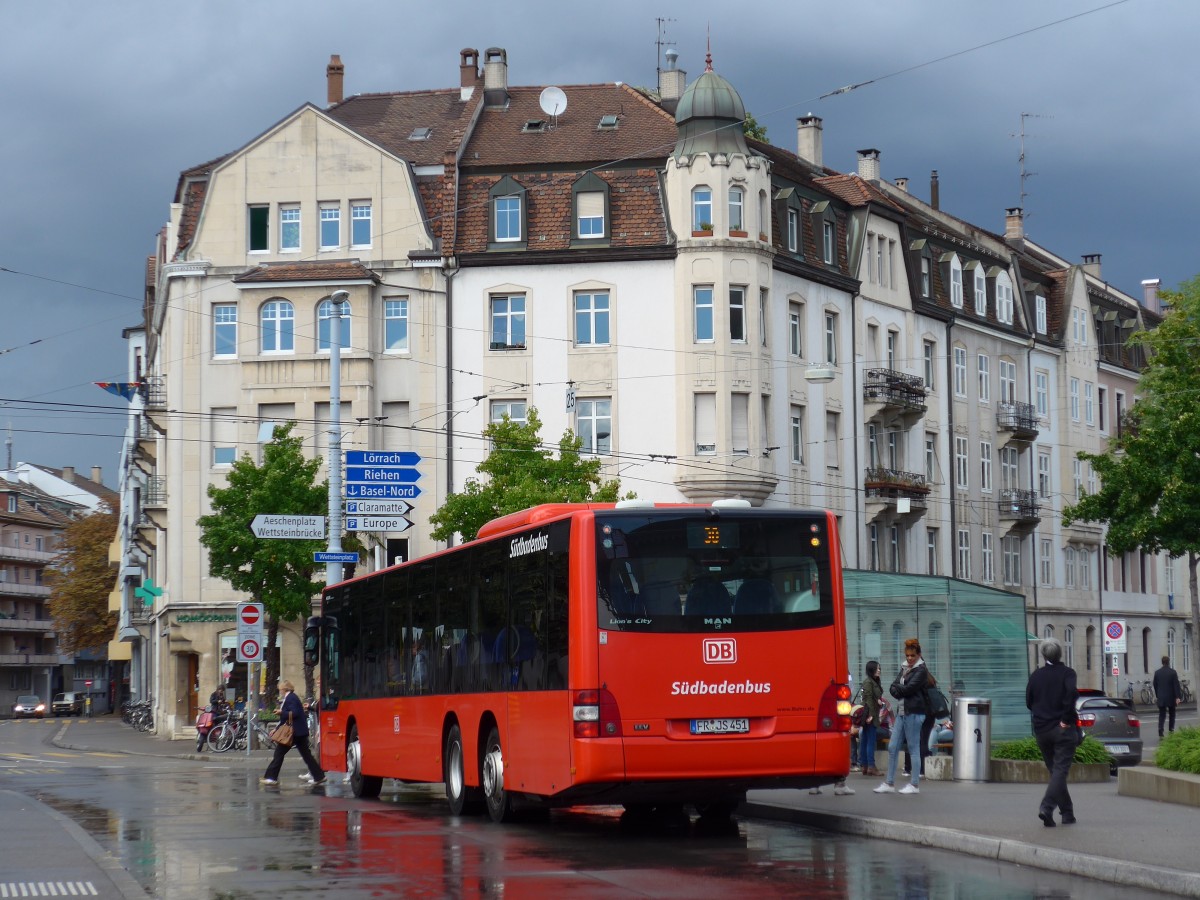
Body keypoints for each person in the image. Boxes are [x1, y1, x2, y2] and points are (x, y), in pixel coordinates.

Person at [1025, 638, 1078, 826]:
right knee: (1060, 771)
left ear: (1043, 655)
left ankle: (1067, 813)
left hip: (1041, 730)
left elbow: (1029, 701)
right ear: (1060, 653)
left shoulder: (1036, 675)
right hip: (1062, 729)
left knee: (1055, 772)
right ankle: (1047, 807)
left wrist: (1041, 716)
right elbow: (1071, 695)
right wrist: (1064, 719)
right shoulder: (1068, 673)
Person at [873, 638, 929, 795]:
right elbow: (894, 687)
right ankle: (889, 783)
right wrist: (900, 688)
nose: (910, 658)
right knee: (892, 747)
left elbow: (908, 689)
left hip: (914, 713)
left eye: (913, 655)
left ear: (918, 655)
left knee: (913, 748)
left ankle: (914, 784)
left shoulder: (921, 670)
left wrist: (899, 688)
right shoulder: (905, 667)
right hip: (903, 712)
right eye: (908, 655)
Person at [260, 680, 326, 787]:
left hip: (294, 733)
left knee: (279, 754)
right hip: (299, 732)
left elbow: (294, 713)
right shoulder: (292, 697)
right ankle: (319, 776)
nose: (280, 692)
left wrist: (282, 712)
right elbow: (290, 716)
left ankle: (271, 777)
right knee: (307, 755)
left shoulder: (291, 698)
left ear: (284, 689)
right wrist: (276, 728)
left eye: (280, 690)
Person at [859, 660, 883, 776]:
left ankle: (865, 765)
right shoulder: (869, 682)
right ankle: (871, 766)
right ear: (871, 670)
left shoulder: (873, 681)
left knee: (865, 739)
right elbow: (868, 699)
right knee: (870, 741)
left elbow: (873, 697)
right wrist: (871, 715)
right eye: (877, 668)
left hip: (870, 713)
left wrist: (878, 701)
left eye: (879, 668)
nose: (879, 670)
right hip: (869, 714)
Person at [1153, 655, 1183, 737]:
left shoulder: (1157, 672)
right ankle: (1171, 729)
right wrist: (1178, 697)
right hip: (1171, 696)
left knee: (1162, 714)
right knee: (1172, 713)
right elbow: (1176, 685)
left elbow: (1155, 684)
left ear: (1162, 662)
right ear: (1168, 662)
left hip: (1161, 697)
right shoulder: (1173, 672)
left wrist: (1158, 694)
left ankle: (1160, 729)